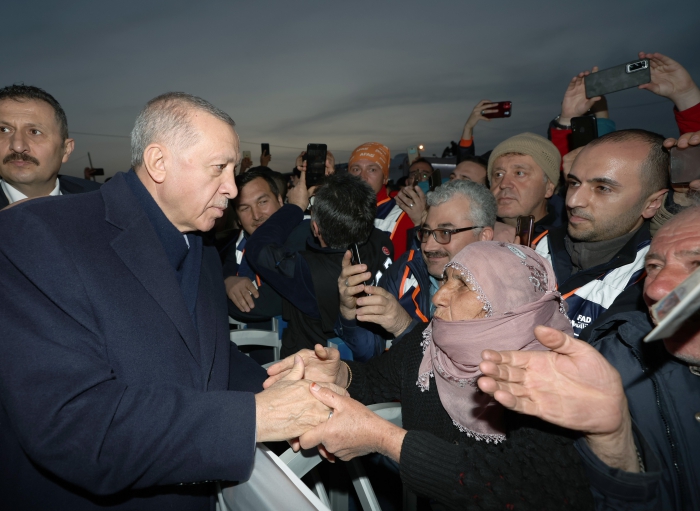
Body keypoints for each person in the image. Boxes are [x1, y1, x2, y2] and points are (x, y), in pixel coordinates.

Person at [0, 92, 340, 510]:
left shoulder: (198, 242)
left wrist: (291, 386)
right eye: (218, 168)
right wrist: (255, 417)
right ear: (159, 162)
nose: (231, 188)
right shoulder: (36, 234)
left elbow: (206, 357)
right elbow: (75, 426)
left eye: (233, 170)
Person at [267, 242, 595, 511]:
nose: (438, 296)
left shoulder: (545, 379)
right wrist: (342, 373)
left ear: (507, 304)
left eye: (462, 285)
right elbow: (376, 380)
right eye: (445, 279)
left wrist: (384, 439)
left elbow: (536, 494)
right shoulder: (429, 342)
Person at [478, 204, 700, 511]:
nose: (658, 288)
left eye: (696, 264)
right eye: (653, 266)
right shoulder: (609, 367)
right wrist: (613, 442)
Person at [337, 179, 496, 360]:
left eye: (445, 233)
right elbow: (369, 352)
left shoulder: (500, 294)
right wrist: (349, 312)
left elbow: (457, 370)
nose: (428, 246)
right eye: (426, 232)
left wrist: (403, 326)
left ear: (483, 236)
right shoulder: (407, 269)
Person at [534, 129, 669, 338]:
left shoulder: (653, 280)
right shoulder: (536, 245)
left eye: (602, 188)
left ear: (653, 203)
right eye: (574, 183)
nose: (573, 201)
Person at [245, 171, 394, 359]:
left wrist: (295, 207)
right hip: (370, 360)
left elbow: (257, 247)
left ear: (315, 228)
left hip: (313, 366)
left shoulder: (309, 272)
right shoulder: (383, 242)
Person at [0, 84, 100, 208]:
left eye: (35, 132)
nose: (18, 146)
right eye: (4, 130)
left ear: (66, 150)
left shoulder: (104, 201)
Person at [488, 132, 566, 243]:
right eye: (498, 174)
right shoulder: (474, 236)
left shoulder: (569, 244)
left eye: (519, 173)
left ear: (548, 188)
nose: (504, 184)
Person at [348, 142, 414, 259]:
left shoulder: (402, 214)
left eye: (372, 169)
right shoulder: (337, 208)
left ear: (385, 178)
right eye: (356, 169)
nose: (362, 177)